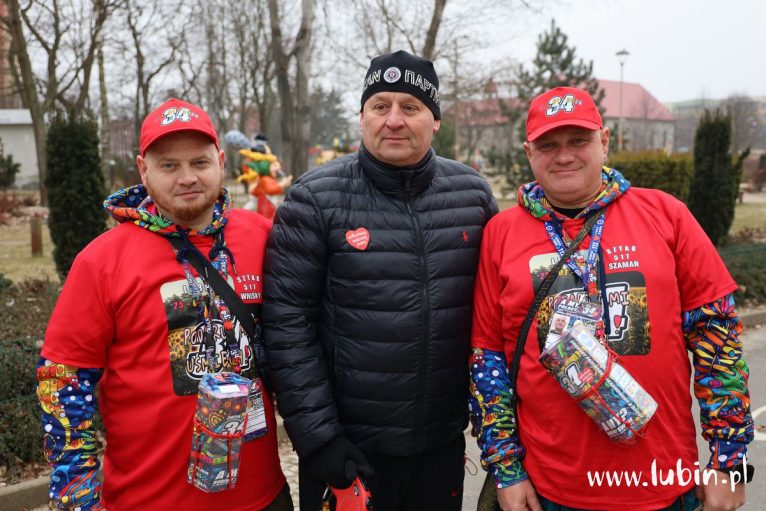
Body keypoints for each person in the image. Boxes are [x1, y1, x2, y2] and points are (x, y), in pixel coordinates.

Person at [469, 86, 754, 511]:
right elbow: (487, 359)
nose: (564, 155)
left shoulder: (667, 215)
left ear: (604, 141)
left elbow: (718, 339)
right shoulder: (501, 234)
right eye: (548, 145)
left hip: (664, 483)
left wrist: (730, 462)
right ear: (529, 153)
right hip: (549, 490)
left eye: (578, 140)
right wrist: (507, 469)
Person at [262, 50, 498, 511]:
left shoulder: (472, 196)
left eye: (410, 107)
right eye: (380, 106)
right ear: (362, 117)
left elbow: (493, 314)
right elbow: (287, 324)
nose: (394, 120)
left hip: (439, 446)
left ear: (435, 120)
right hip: (347, 452)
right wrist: (319, 439)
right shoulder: (314, 199)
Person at [36, 99, 291, 511]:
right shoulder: (101, 262)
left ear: (221, 162)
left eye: (199, 162)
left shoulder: (264, 236)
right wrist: (78, 498)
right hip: (149, 500)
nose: (187, 177)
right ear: (143, 170)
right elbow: (62, 382)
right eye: (169, 165)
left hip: (263, 497)